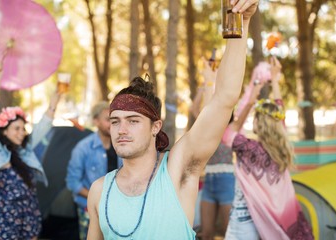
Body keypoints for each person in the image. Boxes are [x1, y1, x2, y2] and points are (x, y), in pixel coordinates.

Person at [86, 1, 259, 239]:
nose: (121, 129)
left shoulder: (178, 170)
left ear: (156, 127)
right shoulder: (98, 190)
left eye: (133, 120)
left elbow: (224, 98)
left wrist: (243, 22)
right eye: (115, 121)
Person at [223, 56, 314, 239]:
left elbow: (228, 133)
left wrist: (251, 99)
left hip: (246, 219)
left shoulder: (248, 148)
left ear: (259, 123)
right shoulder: (282, 146)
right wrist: (274, 80)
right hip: (280, 220)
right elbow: (279, 110)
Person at [0, 65, 61, 240]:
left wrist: (55, 100)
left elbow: (43, 125)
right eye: (16, 128)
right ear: (4, 130)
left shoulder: (25, 150)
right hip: (5, 216)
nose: (21, 132)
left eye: (23, 128)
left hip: (30, 212)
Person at [191, 61, 235, 240]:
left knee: (227, 231)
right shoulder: (208, 127)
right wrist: (205, 84)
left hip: (227, 181)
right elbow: (195, 109)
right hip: (209, 180)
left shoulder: (233, 129)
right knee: (206, 232)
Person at [66, 101, 122, 240]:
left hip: (117, 206)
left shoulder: (122, 145)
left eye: (114, 120)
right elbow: (72, 182)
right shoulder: (83, 148)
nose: (112, 124)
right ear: (96, 121)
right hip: (88, 208)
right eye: (108, 119)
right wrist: (97, 197)